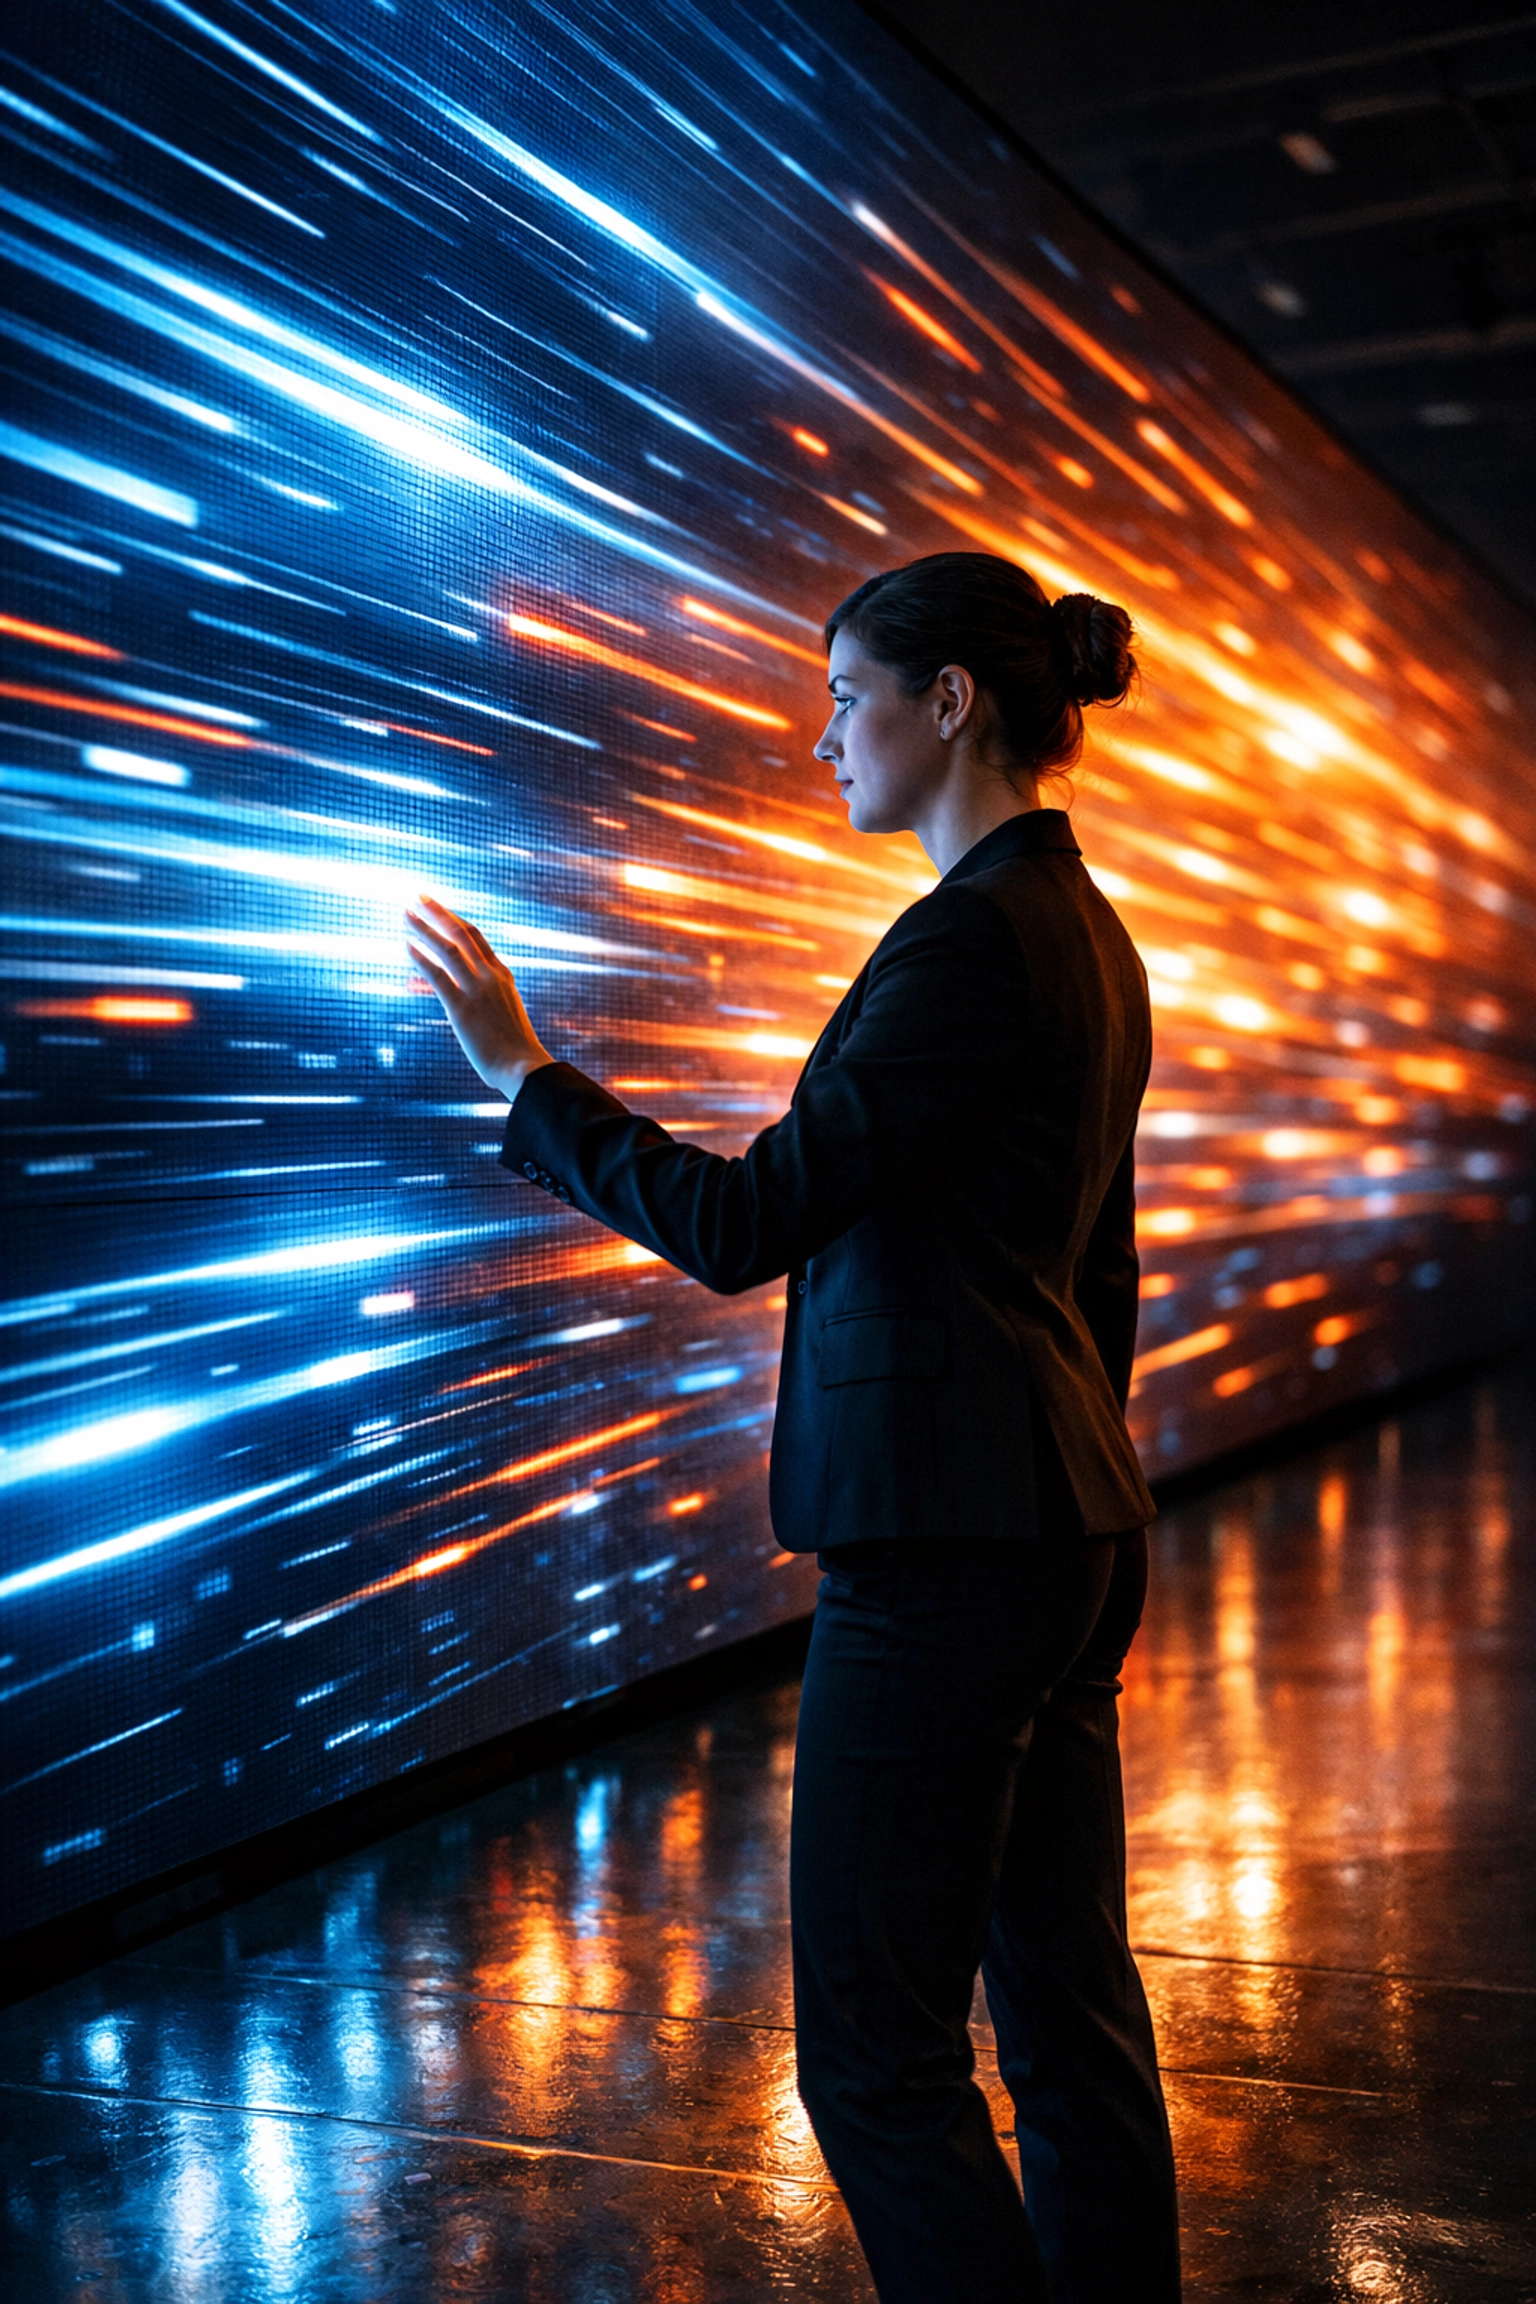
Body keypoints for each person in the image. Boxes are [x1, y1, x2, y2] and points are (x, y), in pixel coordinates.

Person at [405, 550, 1182, 2303]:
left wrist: (527, 1077)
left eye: (843, 696)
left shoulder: (972, 941)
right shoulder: (1084, 930)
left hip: (947, 1552)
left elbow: (749, 1221)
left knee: (878, 2064)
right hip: (1062, 1528)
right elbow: (1095, 1275)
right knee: (1069, 2024)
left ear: (949, 702)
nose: (823, 737)